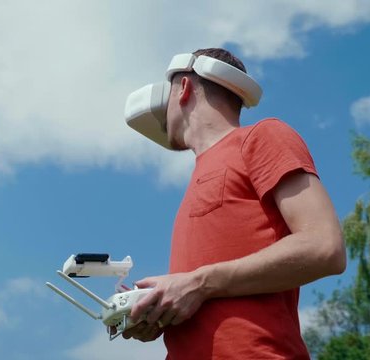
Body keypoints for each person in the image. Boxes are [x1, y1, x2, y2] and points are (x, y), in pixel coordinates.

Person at [122, 48, 346, 359]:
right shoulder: (195, 182)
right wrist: (158, 311)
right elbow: (198, 295)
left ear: (184, 87)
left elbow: (325, 247)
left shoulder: (262, 136)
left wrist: (198, 284)